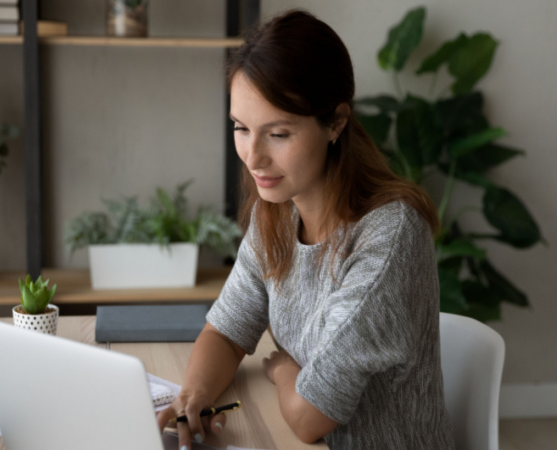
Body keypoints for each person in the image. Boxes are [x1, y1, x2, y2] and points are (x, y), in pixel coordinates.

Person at [156, 9, 454, 450]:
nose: (253, 157)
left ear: (335, 123)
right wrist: (194, 394)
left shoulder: (390, 239)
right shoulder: (274, 213)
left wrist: (282, 371)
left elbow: (310, 416)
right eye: (241, 128)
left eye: (277, 134)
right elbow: (226, 330)